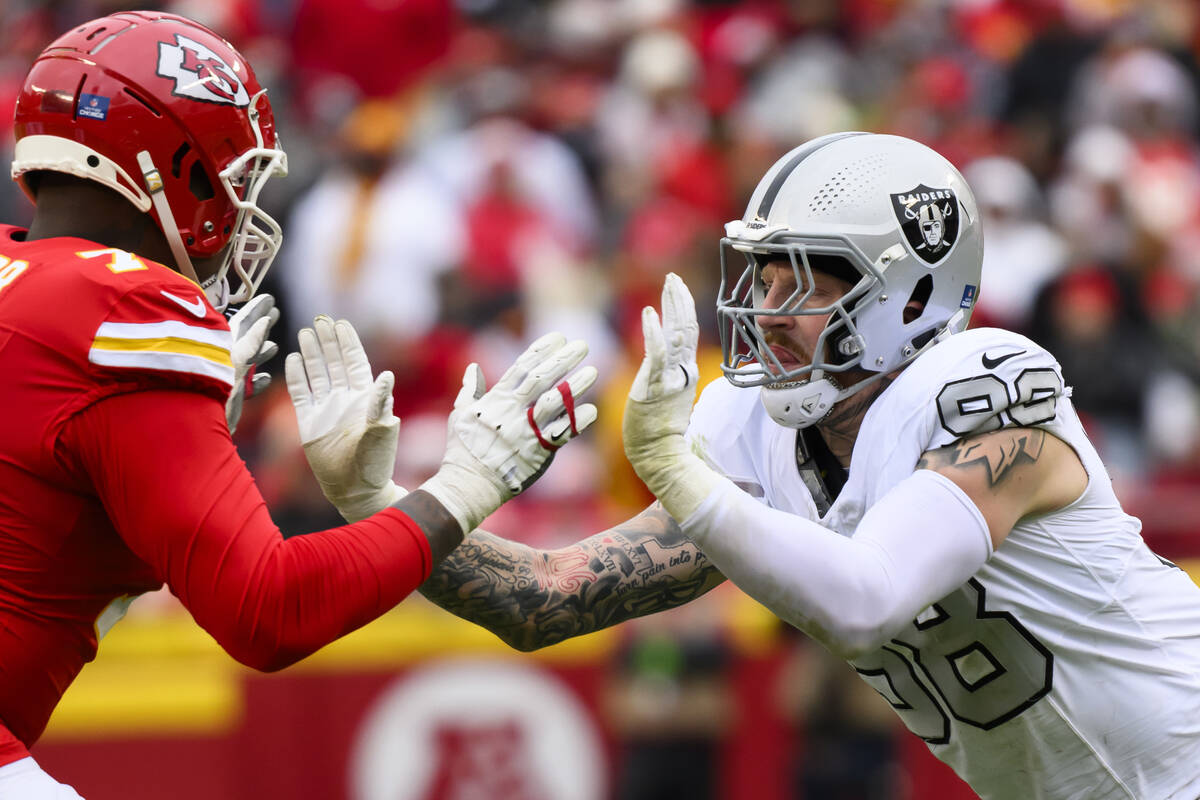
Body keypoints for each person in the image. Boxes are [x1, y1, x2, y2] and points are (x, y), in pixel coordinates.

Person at [301, 132, 1200, 799]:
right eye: (761, 277)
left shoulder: (987, 393)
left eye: (804, 280)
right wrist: (377, 502)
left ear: (913, 294)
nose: (767, 311)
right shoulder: (757, 432)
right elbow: (549, 597)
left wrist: (678, 476)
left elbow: (869, 595)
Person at [0, 11, 598, 798]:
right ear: (175, 169)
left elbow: (45, 563)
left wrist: (184, 436)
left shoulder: (28, 282)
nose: (243, 208)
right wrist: (466, 486)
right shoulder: (126, 315)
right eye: (236, 177)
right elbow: (267, 613)